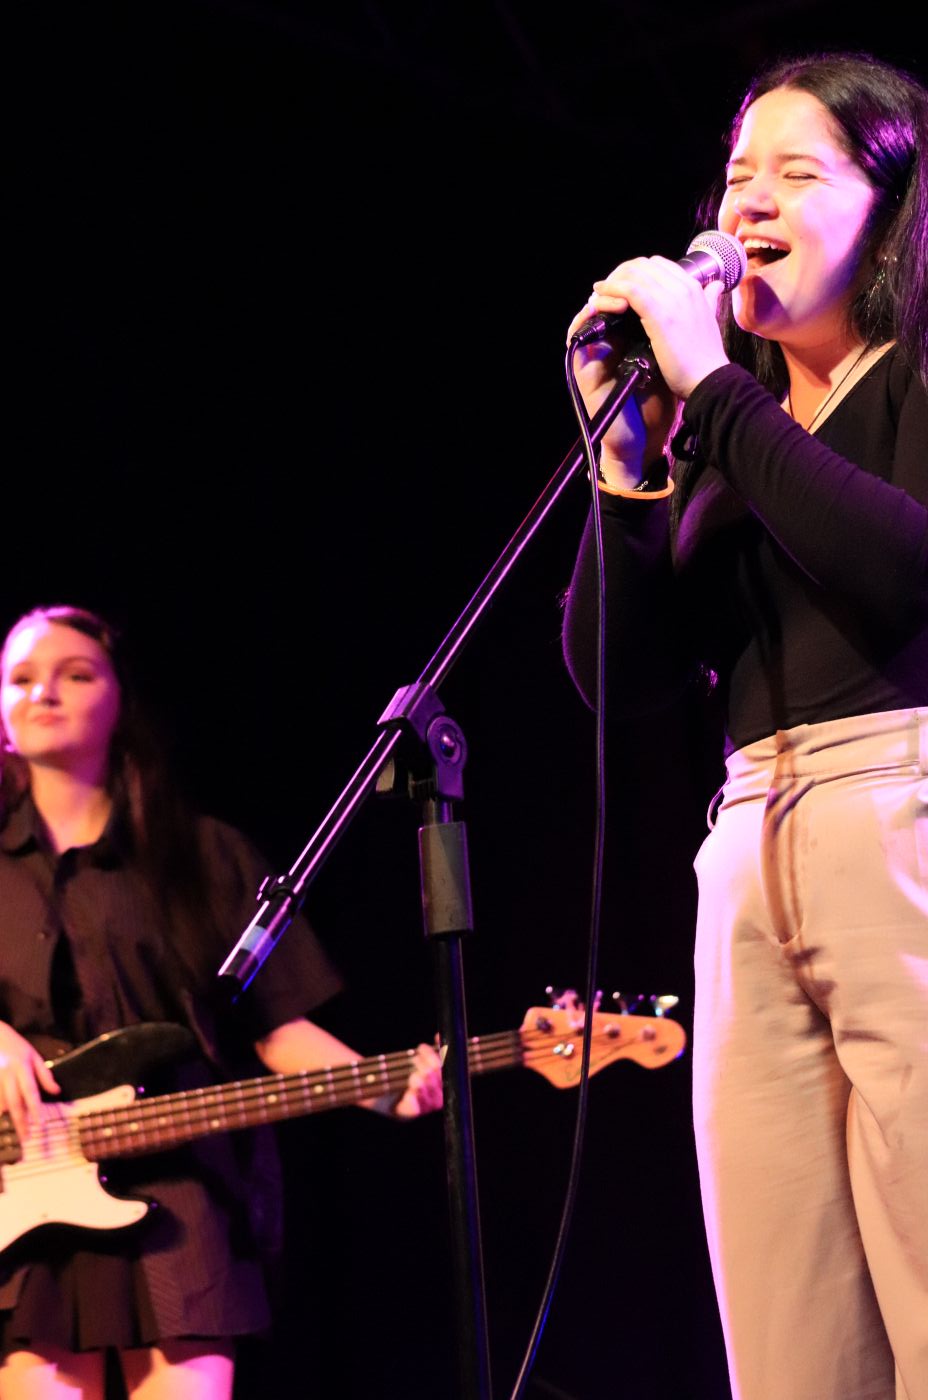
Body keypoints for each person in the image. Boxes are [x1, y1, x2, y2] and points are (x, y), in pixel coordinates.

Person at [562, 51, 927, 1400]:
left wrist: (715, 388)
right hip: (748, 840)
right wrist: (625, 467)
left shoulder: (902, 380)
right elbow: (621, 679)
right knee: (787, 1327)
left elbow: (901, 568)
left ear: (889, 212)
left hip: (904, 808)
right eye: (735, 176)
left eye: (796, 172)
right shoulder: (730, 434)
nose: (747, 203)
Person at [0, 604, 442, 1399]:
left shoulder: (203, 855)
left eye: (75, 674)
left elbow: (276, 1026)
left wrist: (382, 1084)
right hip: (22, 1196)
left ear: (120, 700)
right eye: (21, 679)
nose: (44, 693)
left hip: (178, 1197)